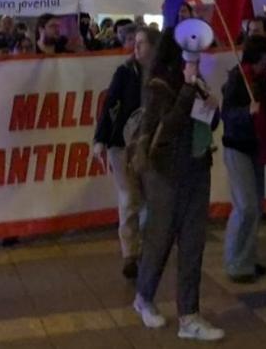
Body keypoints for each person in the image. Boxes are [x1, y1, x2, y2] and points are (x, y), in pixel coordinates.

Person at [129, 33, 225, 341]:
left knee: (193, 244)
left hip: (197, 169)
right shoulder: (158, 86)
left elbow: (208, 122)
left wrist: (211, 104)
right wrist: (186, 89)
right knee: (160, 240)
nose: (195, 59)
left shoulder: (196, 82)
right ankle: (144, 296)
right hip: (165, 174)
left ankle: (189, 316)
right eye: (189, 53)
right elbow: (165, 129)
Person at [92, 26, 153, 279]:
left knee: (150, 200)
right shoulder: (125, 73)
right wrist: (100, 139)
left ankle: (146, 249)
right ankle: (130, 253)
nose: (135, 47)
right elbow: (109, 106)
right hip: (122, 145)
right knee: (129, 198)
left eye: (141, 43)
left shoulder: (162, 74)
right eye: (134, 42)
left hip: (151, 145)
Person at [221, 34, 266, 283]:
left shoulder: (265, 79)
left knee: (255, 206)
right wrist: (247, 112)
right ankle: (235, 261)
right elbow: (226, 113)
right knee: (246, 205)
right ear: (261, 54)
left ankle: (245, 260)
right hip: (238, 147)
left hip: (254, 147)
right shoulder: (239, 78)